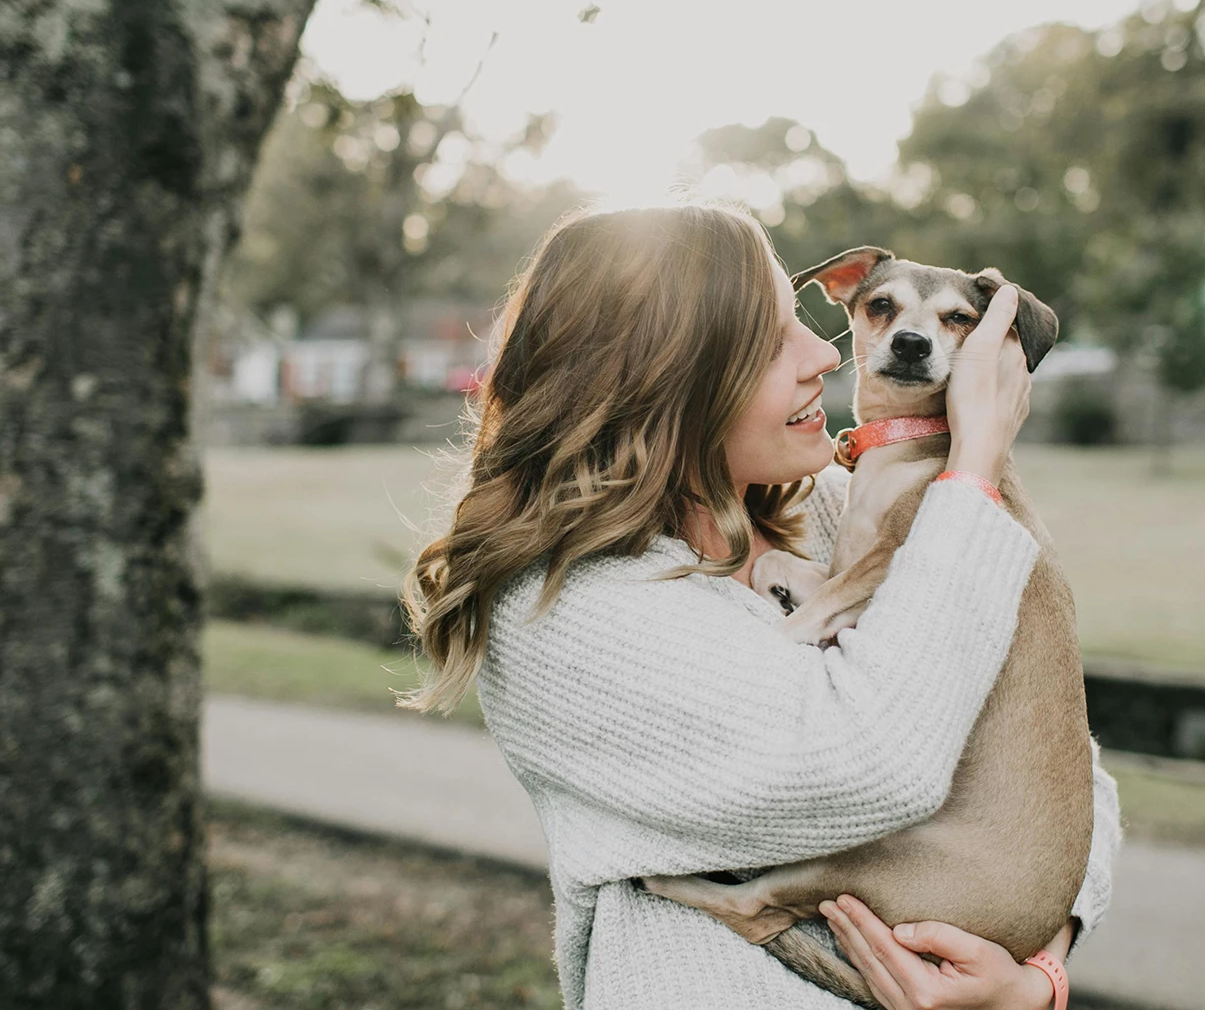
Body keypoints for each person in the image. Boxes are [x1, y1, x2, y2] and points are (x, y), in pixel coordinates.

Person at [400, 202, 1121, 1010]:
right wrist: (977, 460)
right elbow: (875, 764)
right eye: (774, 338)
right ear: (664, 379)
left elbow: (1064, 769)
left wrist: (1036, 980)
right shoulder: (564, 613)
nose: (825, 352)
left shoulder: (831, 513)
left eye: (808, 319)